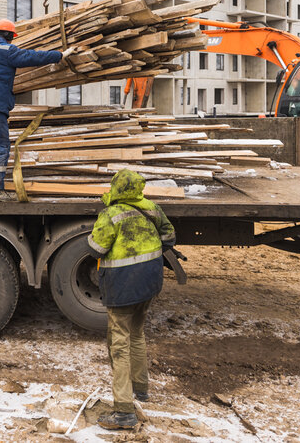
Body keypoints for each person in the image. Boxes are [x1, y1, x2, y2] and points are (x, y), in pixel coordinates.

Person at [88, 168, 176, 431]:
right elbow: (169, 238)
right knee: (137, 334)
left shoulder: (111, 215)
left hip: (122, 287)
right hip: (148, 283)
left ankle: (124, 411)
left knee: (120, 344)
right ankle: (141, 389)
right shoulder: (151, 208)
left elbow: (97, 249)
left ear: (116, 188)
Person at [0, 19, 65, 202]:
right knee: (0, 147)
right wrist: (58, 55)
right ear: (10, 36)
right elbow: (32, 57)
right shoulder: (7, 51)